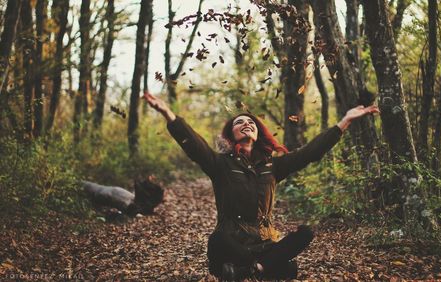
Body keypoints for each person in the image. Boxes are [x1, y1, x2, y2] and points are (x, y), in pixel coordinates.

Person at [143, 92, 379, 280]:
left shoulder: (272, 167)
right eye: (239, 122)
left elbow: (310, 153)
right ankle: (264, 269)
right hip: (231, 246)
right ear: (231, 135)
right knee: (220, 241)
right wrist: (168, 114)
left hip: (263, 244)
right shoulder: (220, 164)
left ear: (258, 133)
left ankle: (249, 270)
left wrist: (345, 121)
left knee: (305, 234)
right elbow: (194, 145)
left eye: (250, 122)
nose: (246, 124)